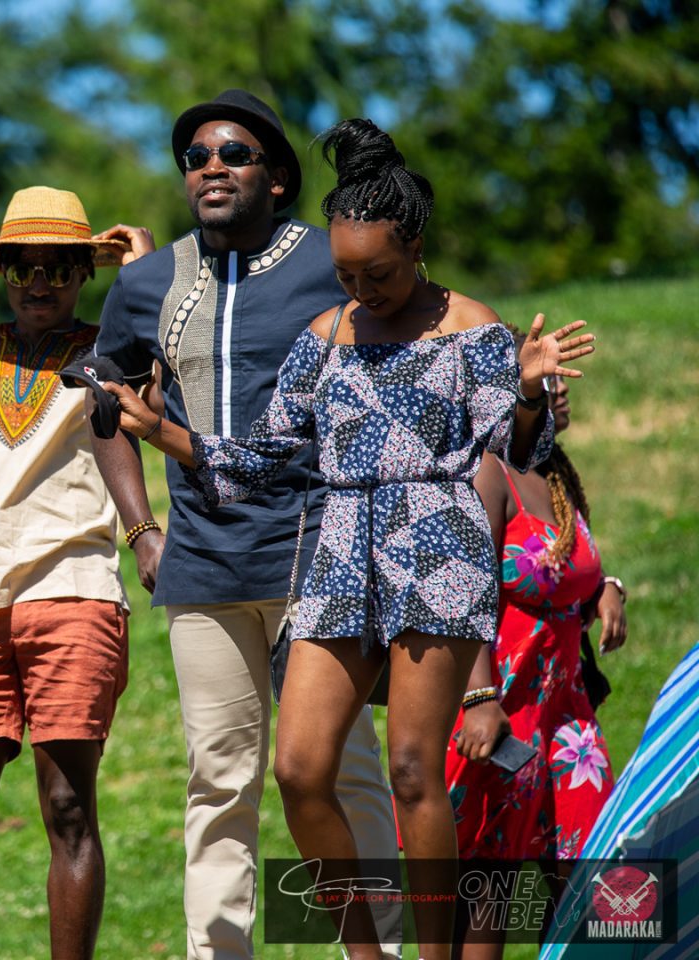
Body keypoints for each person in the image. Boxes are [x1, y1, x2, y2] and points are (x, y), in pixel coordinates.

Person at [103, 118, 596, 960]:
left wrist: (525, 392)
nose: (362, 289)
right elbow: (265, 454)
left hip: (436, 554)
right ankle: (365, 952)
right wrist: (164, 436)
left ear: (416, 249)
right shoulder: (326, 335)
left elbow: (518, 456)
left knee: (410, 768)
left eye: (380, 272)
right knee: (300, 770)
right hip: (337, 553)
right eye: (344, 273)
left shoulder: (471, 327)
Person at [92, 89, 402, 959]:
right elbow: (106, 406)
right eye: (195, 157)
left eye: (233, 153)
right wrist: (141, 529)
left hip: (320, 555)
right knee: (218, 780)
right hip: (201, 565)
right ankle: (216, 952)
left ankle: (377, 947)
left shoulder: (325, 264)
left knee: (344, 769)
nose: (211, 167)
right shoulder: (148, 282)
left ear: (276, 180)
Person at [0, 185, 155, 960]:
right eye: (23, 269)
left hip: (76, 593)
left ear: (84, 276)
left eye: (60, 270)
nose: (40, 284)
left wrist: (146, 279)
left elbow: (173, 398)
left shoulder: (114, 354)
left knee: (69, 807)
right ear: (2, 273)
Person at [448, 365, 625, 958]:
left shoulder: (554, 474)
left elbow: (569, 566)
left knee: (607, 887)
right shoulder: (486, 475)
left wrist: (606, 587)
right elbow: (459, 596)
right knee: (487, 902)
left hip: (568, 720)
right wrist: (478, 697)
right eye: (547, 384)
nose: (562, 393)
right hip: (500, 714)